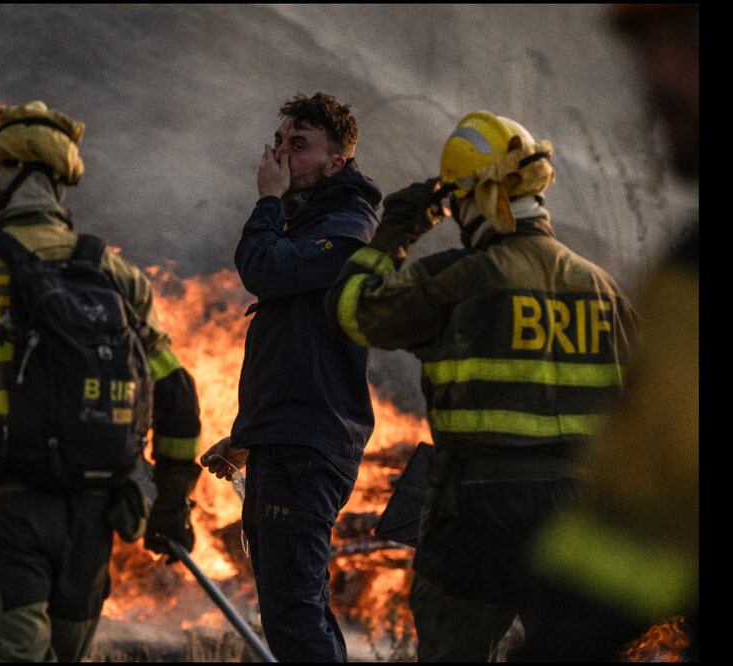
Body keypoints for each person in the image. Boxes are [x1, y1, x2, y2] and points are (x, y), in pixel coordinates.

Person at [0, 100, 203, 662]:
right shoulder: (117, 274)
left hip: (9, 512)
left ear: (5, 176)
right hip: (94, 518)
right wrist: (171, 506)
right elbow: (178, 397)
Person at [325, 111, 638, 661]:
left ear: (477, 199)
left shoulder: (462, 276)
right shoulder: (603, 289)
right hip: (578, 519)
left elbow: (352, 313)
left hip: (475, 516)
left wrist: (396, 230)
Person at [520, 4, 699, 660]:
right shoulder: (678, 274)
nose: (656, 80)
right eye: (646, 53)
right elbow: (641, 513)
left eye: (679, 45)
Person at [200, 91, 381, 662]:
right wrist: (250, 435)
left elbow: (263, 270)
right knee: (292, 609)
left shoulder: (347, 228)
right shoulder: (312, 224)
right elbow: (297, 353)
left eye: (299, 146)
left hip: (308, 448)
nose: (281, 158)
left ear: (338, 162)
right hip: (287, 440)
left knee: (295, 615)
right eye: (279, 143)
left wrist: (268, 203)